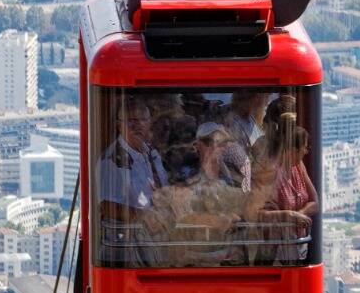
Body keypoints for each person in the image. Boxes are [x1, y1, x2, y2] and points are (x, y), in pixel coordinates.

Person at [160, 122, 255, 265]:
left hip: (224, 251)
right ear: (199, 145)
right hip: (196, 253)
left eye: (224, 144)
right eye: (214, 143)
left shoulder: (227, 172)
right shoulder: (187, 170)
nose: (220, 148)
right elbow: (179, 212)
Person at [96, 100, 169, 265]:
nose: (139, 125)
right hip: (129, 247)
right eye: (132, 121)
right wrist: (145, 217)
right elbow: (108, 207)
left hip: (157, 240)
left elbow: (162, 189)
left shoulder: (151, 152)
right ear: (119, 125)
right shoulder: (112, 161)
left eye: (143, 120)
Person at [250, 111, 317, 263]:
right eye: (304, 148)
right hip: (274, 252)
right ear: (293, 149)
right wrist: (290, 216)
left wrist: (301, 213)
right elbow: (255, 214)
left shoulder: (298, 167)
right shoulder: (270, 172)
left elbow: (316, 203)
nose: (306, 152)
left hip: (297, 246)